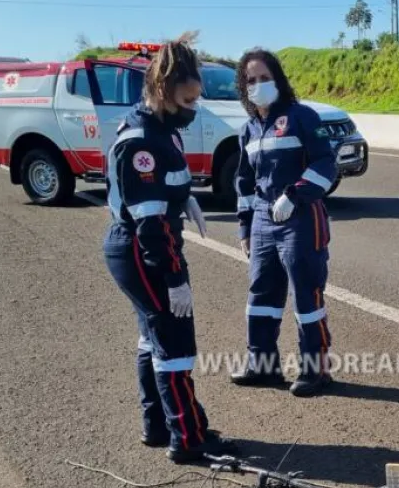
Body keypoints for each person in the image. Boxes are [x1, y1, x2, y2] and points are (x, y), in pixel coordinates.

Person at [102, 34, 236, 464]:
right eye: (187, 100)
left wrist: (185, 198)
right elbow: (152, 227)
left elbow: (164, 192)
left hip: (140, 246)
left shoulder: (158, 126)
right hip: (144, 251)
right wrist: (175, 278)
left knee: (152, 337)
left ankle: (157, 425)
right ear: (163, 91)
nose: (192, 109)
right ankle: (188, 437)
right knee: (174, 345)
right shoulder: (144, 140)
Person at [231, 48, 337, 397]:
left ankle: (316, 370)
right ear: (243, 87)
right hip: (263, 219)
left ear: (278, 80)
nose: (258, 85)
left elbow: (326, 163)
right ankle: (263, 366)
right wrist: (245, 227)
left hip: (301, 217)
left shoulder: (301, 116)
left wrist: (295, 194)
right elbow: (245, 183)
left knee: (307, 293)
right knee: (261, 294)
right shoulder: (248, 130)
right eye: (251, 80)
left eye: (264, 78)